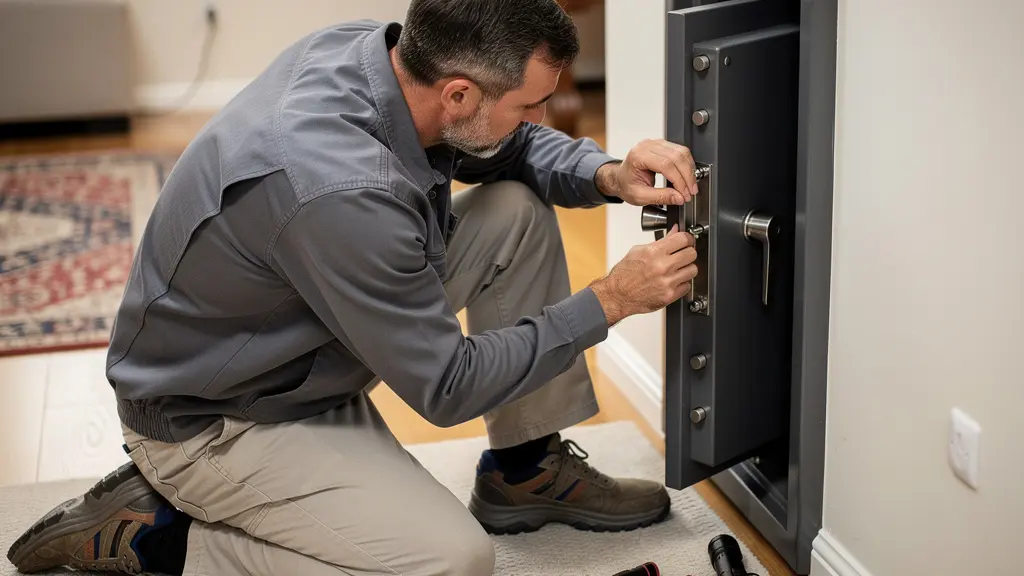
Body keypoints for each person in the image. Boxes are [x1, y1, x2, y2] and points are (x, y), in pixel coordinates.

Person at [7, 1, 700, 575]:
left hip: (296, 344)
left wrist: (607, 172)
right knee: (452, 562)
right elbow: (448, 387)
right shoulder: (340, 188)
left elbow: (504, 146)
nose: (541, 120)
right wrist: (611, 299)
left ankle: (522, 472)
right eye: (530, 105)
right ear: (458, 92)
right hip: (217, 418)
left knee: (512, 214)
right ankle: (155, 537)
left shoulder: (380, 59)